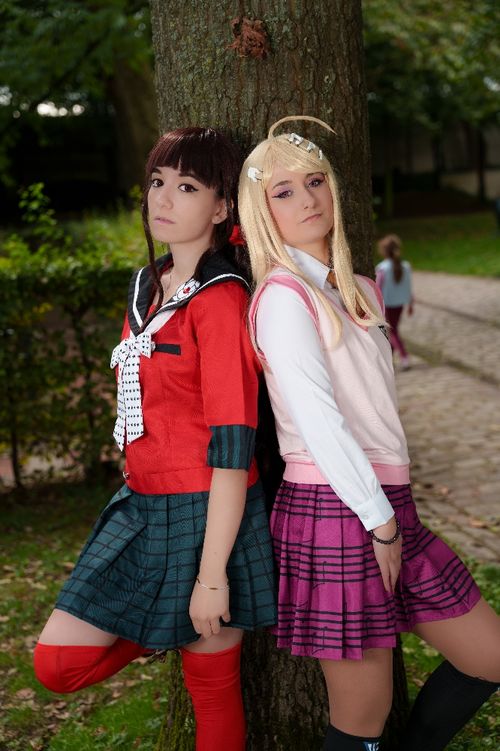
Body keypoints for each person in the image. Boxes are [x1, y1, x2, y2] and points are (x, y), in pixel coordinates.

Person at [238, 115, 500, 751]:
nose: (307, 199)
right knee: (363, 715)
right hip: (336, 508)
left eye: (315, 182)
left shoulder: (360, 288)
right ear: (261, 210)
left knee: (490, 656)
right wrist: (379, 521)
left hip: (390, 505)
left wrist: (389, 514)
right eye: (283, 191)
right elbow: (319, 421)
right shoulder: (282, 297)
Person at [33, 126, 277, 751]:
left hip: (209, 510)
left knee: (212, 693)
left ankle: (181, 619)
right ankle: (163, 626)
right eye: (157, 182)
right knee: (57, 665)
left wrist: (212, 577)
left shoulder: (221, 300)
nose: (162, 199)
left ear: (222, 208)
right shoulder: (148, 284)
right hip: (141, 503)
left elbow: (233, 448)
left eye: (187, 187)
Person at [375, 234, 413, 369]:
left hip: (387, 304)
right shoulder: (406, 266)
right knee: (393, 329)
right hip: (400, 303)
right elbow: (408, 286)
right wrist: (411, 303)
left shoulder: (382, 268)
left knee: (392, 331)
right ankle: (390, 359)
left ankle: (404, 356)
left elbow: (377, 288)